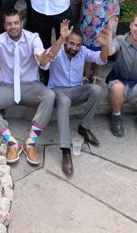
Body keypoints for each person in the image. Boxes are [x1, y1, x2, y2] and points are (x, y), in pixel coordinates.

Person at [0, 9, 56, 167]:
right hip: (9, 87)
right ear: (5, 25)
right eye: (9, 24)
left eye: (16, 23)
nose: (13, 26)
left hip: (31, 86)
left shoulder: (33, 38)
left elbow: (42, 59)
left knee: (50, 95)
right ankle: (12, 142)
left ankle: (30, 143)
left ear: (21, 23)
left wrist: (42, 59)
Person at [45, 22, 108, 177]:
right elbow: (46, 60)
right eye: (71, 43)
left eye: (78, 45)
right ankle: (66, 150)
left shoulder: (83, 52)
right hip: (57, 92)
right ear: (66, 42)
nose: (74, 48)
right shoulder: (57, 49)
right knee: (64, 101)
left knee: (97, 90)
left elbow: (102, 60)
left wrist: (104, 45)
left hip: (76, 91)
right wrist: (61, 38)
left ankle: (84, 127)